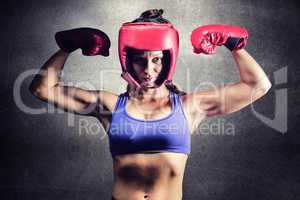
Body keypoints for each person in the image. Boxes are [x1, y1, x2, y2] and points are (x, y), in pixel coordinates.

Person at [29, 9, 272, 200]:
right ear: (127, 61)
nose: (148, 70)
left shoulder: (189, 106)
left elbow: (258, 86)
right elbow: (42, 89)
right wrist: (66, 48)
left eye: (156, 59)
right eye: (139, 61)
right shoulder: (110, 105)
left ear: (169, 59)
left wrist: (234, 45)